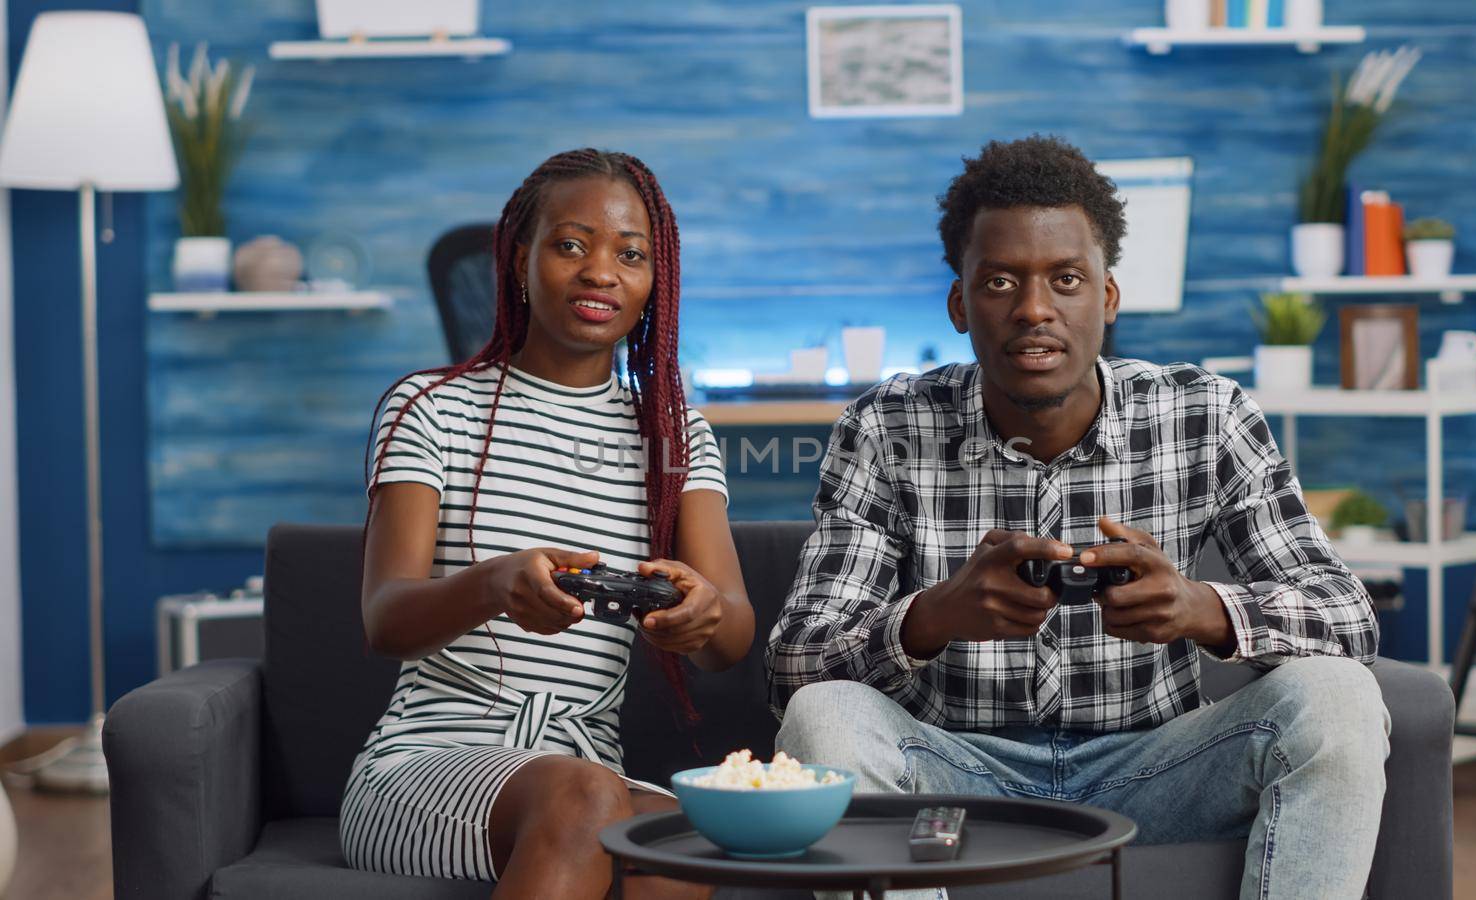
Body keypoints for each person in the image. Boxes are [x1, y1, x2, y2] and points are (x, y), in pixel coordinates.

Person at [768, 135, 1388, 899]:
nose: (1035, 310)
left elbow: (1348, 618)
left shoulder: (1207, 414)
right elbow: (792, 666)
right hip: (956, 776)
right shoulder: (883, 428)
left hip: (1158, 770)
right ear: (961, 304)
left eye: (1066, 279)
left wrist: (1201, 609)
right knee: (822, 715)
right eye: (1000, 282)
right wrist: (933, 616)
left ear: (1108, 296)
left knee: (1339, 698)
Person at [343, 148, 752, 900]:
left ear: (654, 283)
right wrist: (496, 583)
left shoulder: (675, 438)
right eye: (572, 245)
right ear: (519, 259)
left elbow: (730, 641)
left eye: (631, 255)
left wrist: (703, 610)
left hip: (585, 764)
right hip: (424, 763)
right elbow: (384, 620)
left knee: (687, 837)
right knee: (585, 798)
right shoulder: (431, 409)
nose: (602, 271)